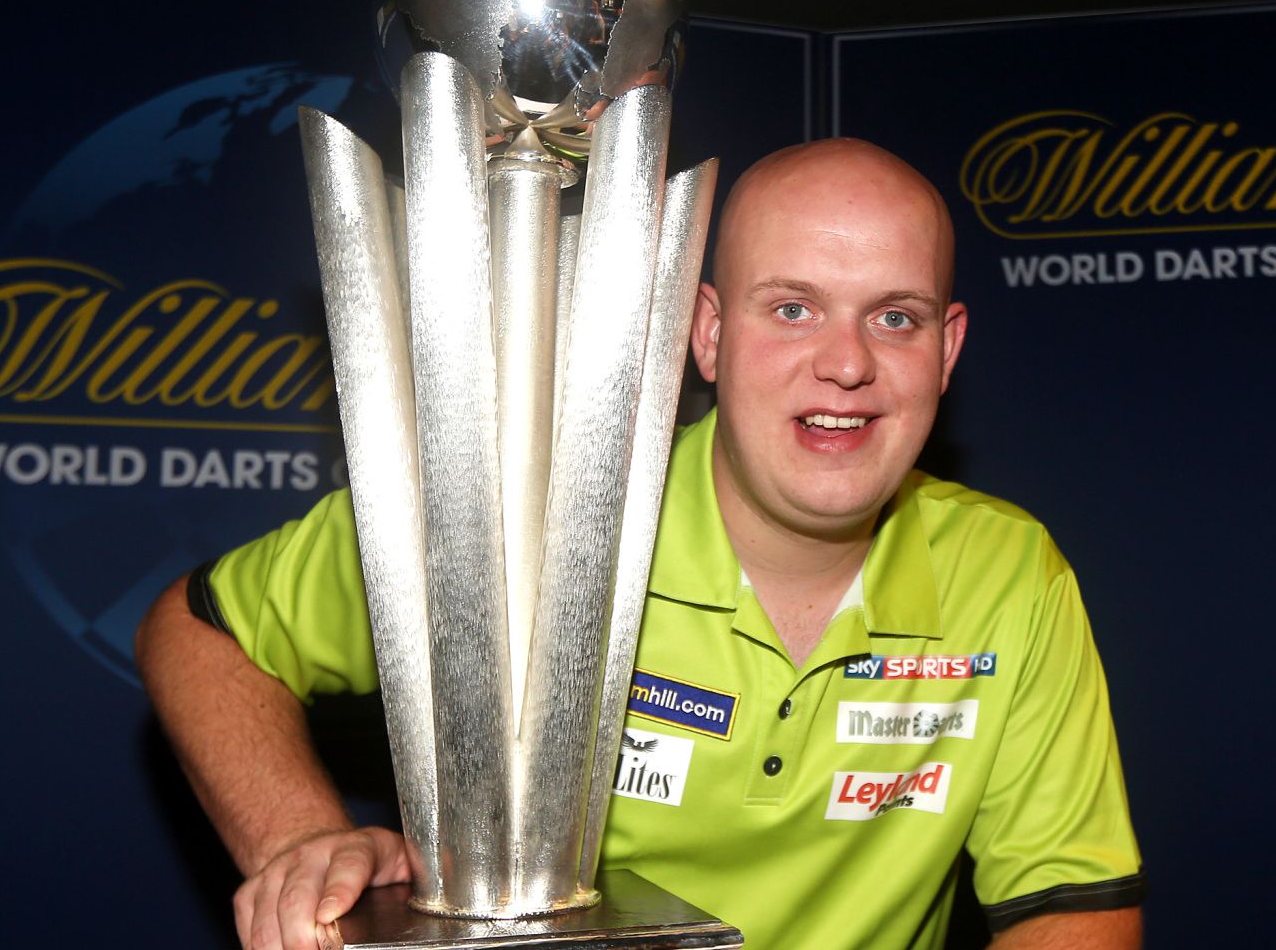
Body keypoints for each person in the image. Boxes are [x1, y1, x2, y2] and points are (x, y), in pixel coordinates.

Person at [137, 138, 1145, 950]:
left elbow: (1071, 904)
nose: (845, 364)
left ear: (946, 348)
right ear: (706, 332)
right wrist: (299, 839)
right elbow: (195, 632)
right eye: (790, 309)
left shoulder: (1009, 575)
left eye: (894, 317)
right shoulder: (522, 516)